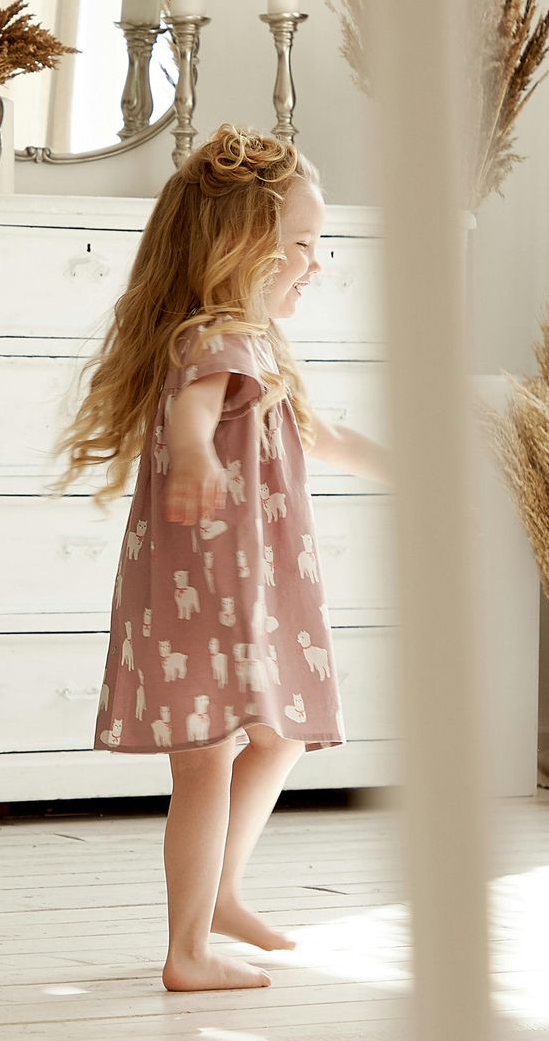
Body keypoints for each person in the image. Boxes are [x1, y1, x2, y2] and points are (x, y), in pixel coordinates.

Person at [59, 126, 391, 991]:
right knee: (208, 759)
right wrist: (198, 455)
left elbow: (316, 434)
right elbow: (193, 415)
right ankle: (187, 950)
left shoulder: (252, 340)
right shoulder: (217, 339)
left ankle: (225, 895)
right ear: (242, 248)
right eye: (302, 247)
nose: (315, 264)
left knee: (281, 734)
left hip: (252, 580)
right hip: (211, 579)